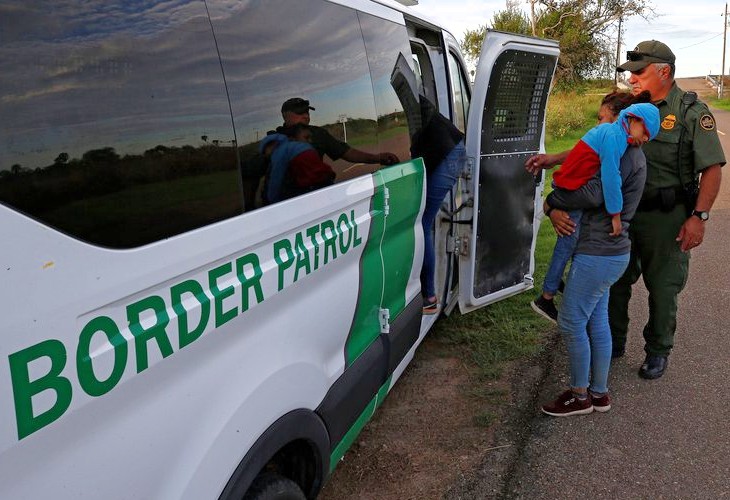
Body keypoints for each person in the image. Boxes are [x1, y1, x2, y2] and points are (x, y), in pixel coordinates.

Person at [610, 40, 725, 379]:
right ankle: (613, 341)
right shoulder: (629, 109)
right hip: (627, 214)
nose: (632, 79)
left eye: (639, 72)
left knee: (663, 287)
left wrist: (699, 217)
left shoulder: (691, 112)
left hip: (668, 216)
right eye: (630, 73)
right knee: (615, 279)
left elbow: (713, 168)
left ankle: (658, 350)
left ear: (664, 72)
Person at [540, 106, 659, 417]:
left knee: (571, 321)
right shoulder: (625, 148)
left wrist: (551, 202)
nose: (644, 139)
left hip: (598, 253)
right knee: (597, 321)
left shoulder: (624, 153)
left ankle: (580, 396)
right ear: (633, 121)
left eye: (648, 136)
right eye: (644, 132)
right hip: (613, 253)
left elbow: (593, 194)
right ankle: (599, 393)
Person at [528, 91, 652, 323]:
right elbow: (594, 178)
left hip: (586, 225)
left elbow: (593, 181)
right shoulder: (611, 138)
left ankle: (553, 286)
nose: (597, 124)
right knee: (567, 244)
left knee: (568, 245)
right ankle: (547, 295)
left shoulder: (620, 147)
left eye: (601, 117)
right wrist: (553, 203)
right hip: (577, 207)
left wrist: (552, 202)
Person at [410, 96, 465, 314]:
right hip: (444, 151)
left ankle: (429, 296)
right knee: (423, 221)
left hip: (448, 154)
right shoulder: (403, 87)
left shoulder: (402, 92)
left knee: (422, 223)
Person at [277, 98, 400, 166]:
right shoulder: (274, 139)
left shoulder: (318, 134)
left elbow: (347, 153)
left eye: (307, 112)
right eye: (299, 112)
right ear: (285, 115)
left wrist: (377, 158)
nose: (305, 116)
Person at [259, 124, 336, 204]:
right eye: (306, 138)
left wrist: (273, 201)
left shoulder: (280, 154)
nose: (310, 141)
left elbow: (276, 178)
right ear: (292, 139)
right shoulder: (292, 151)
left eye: (310, 137)